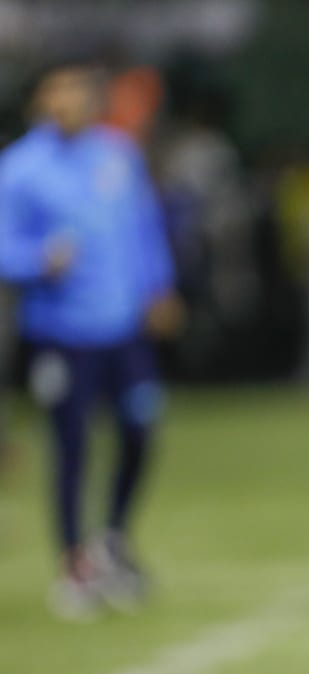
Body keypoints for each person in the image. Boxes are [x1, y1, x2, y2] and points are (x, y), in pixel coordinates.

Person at [0, 60, 182, 619]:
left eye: (80, 92)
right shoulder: (20, 168)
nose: (70, 102)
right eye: (59, 92)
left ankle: (114, 539)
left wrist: (159, 287)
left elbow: (144, 225)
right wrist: (37, 261)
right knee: (72, 445)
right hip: (61, 332)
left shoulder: (117, 155)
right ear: (41, 101)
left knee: (140, 428)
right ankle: (73, 564)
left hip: (122, 324)